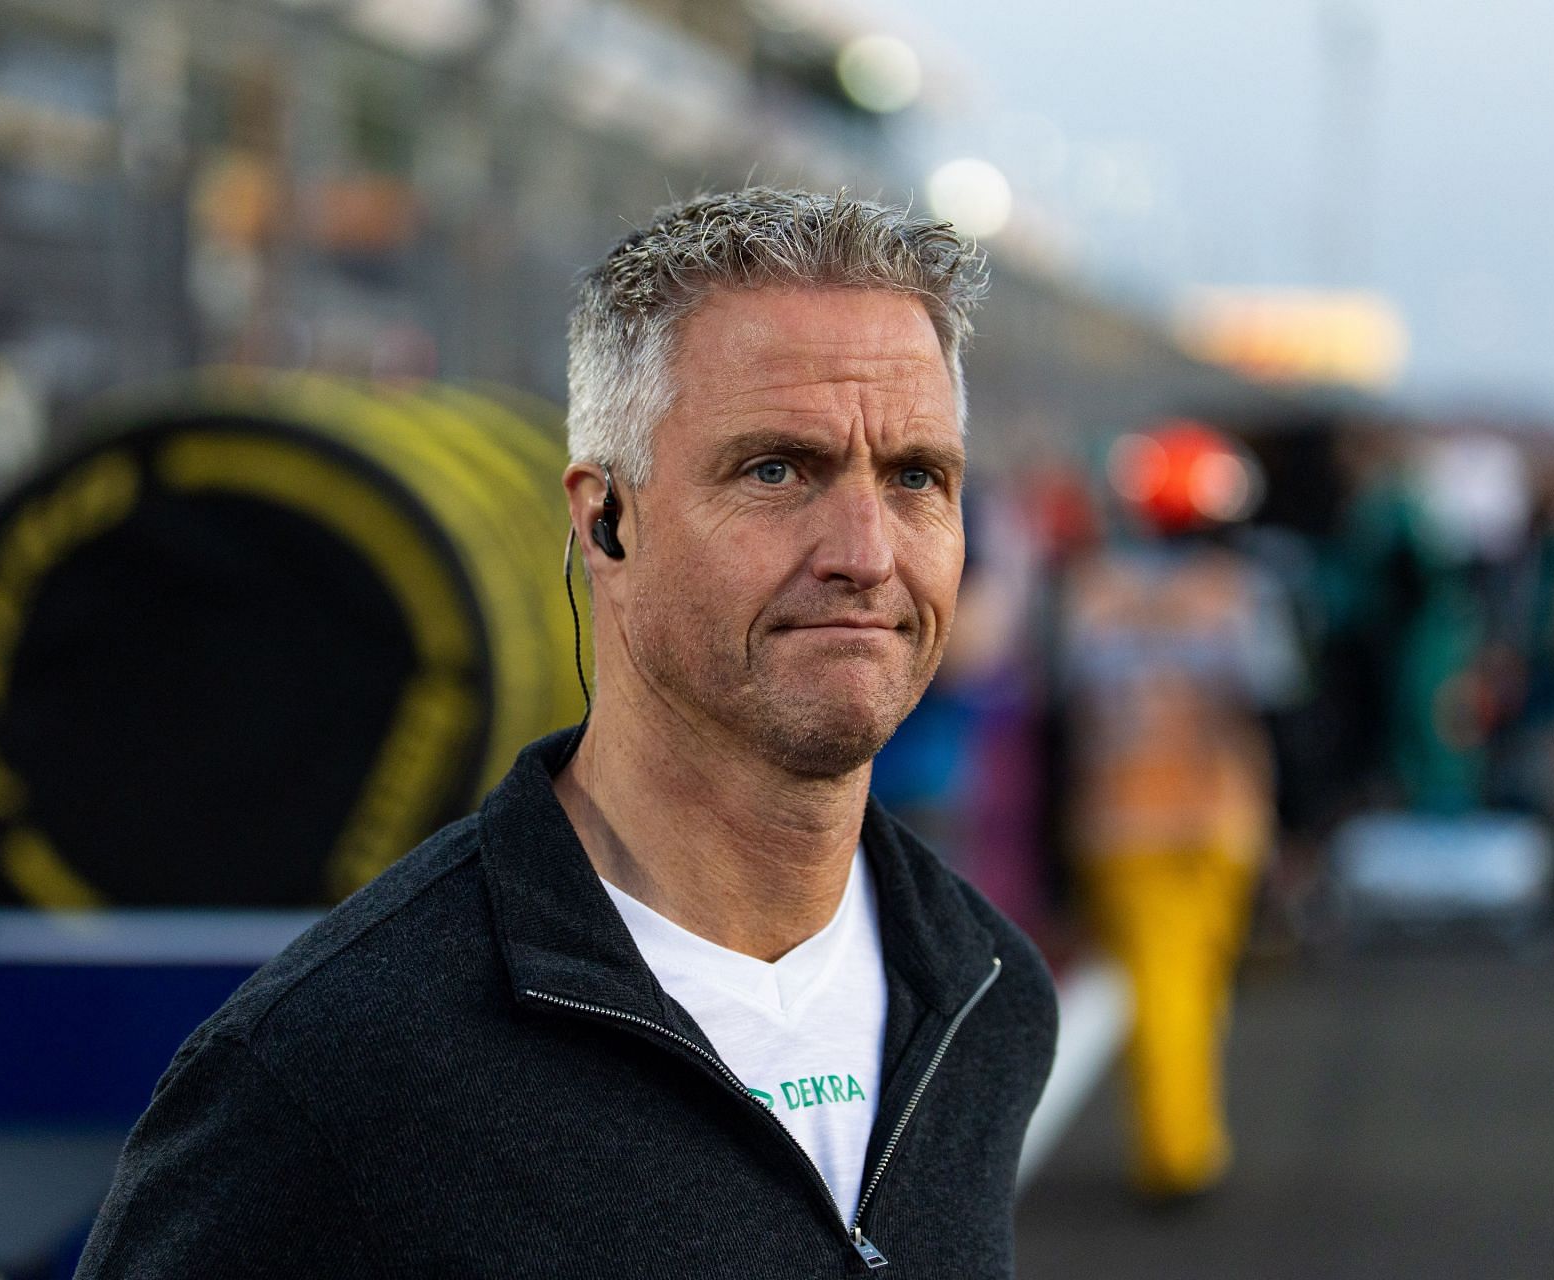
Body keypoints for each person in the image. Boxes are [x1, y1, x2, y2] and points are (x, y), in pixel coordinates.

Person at [76, 188, 1058, 1278]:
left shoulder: (986, 991)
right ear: (606, 520)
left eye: (917, 476)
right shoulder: (333, 1064)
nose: (866, 552)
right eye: (777, 469)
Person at [1059, 422, 1300, 1202]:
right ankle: (1181, 1149)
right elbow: (1275, 695)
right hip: (1221, 814)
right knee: (1192, 978)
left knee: (1162, 978)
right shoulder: (1242, 588)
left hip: (1118, 818)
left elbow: (1059, 699)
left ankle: (1180, 1139)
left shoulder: (1090, 584)